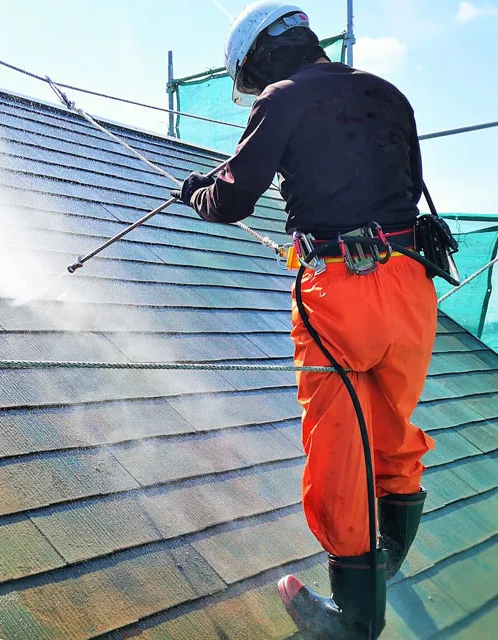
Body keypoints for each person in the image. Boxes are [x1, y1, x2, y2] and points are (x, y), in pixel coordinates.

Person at [172, 2, 435, 638]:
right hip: (411, 285)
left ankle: (355, 617)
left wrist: (195, 192)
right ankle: (388, 559)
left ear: (259, 60)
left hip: (341, 293)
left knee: (337, 445)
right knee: (391, 426)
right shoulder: (388, 92)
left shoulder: (282, 99)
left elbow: (233, 198)